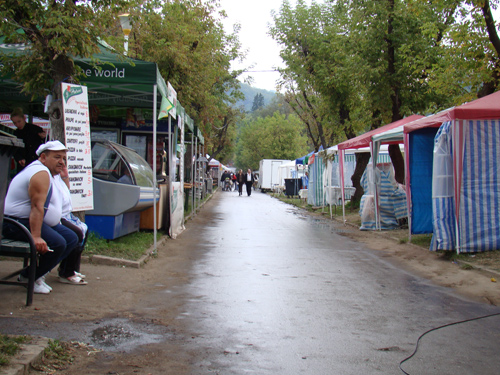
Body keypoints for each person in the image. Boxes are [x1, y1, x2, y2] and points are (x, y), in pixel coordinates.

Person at [3, 141, 81, 294]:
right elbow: (37, 207)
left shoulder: (47, 173)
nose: (61, 162)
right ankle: (29, 276)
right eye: (57, 157)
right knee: (58, 243)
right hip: (14, 223)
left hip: (28, 220)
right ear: (44, 157)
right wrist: (36, 236)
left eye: (64, 158)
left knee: (72, 237)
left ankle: (38, 273)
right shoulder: (40, 173)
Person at [10, 108, 46, 172]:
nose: (17, 125)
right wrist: (19, 158)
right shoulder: (15, 133)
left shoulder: (36, 129)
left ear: (24, 118)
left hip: (36, 162)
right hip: (24, 164)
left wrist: (44, 137)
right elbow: (14, 149)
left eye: (19, 121)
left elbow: (45, 144)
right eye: (14, 123)